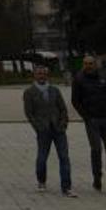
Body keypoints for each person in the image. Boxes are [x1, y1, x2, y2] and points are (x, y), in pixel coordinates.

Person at [71, 55, 106, 194]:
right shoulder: (79, 80)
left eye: (91, 63)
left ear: (95, 64)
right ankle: (97, 178)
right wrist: (86, 117)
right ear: (83, 64)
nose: (89, 65)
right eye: (86, 63)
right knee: (96, 150)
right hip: (92, 120)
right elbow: (75, 101)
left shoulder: (103, 78)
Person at [23, 64, 75, 197]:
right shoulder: (29, 92)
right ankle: (41, 180)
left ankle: (66, 187)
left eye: (44, 73)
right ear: (35, 75)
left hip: (58, 129)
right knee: (42, 158)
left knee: (64, 157)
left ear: (47, 75)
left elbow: (63, 108)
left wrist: (63, 123)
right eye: (39, 73)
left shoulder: (55, 90)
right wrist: (37, 127)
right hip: (43, 130)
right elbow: (29, 113)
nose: (42, 76)